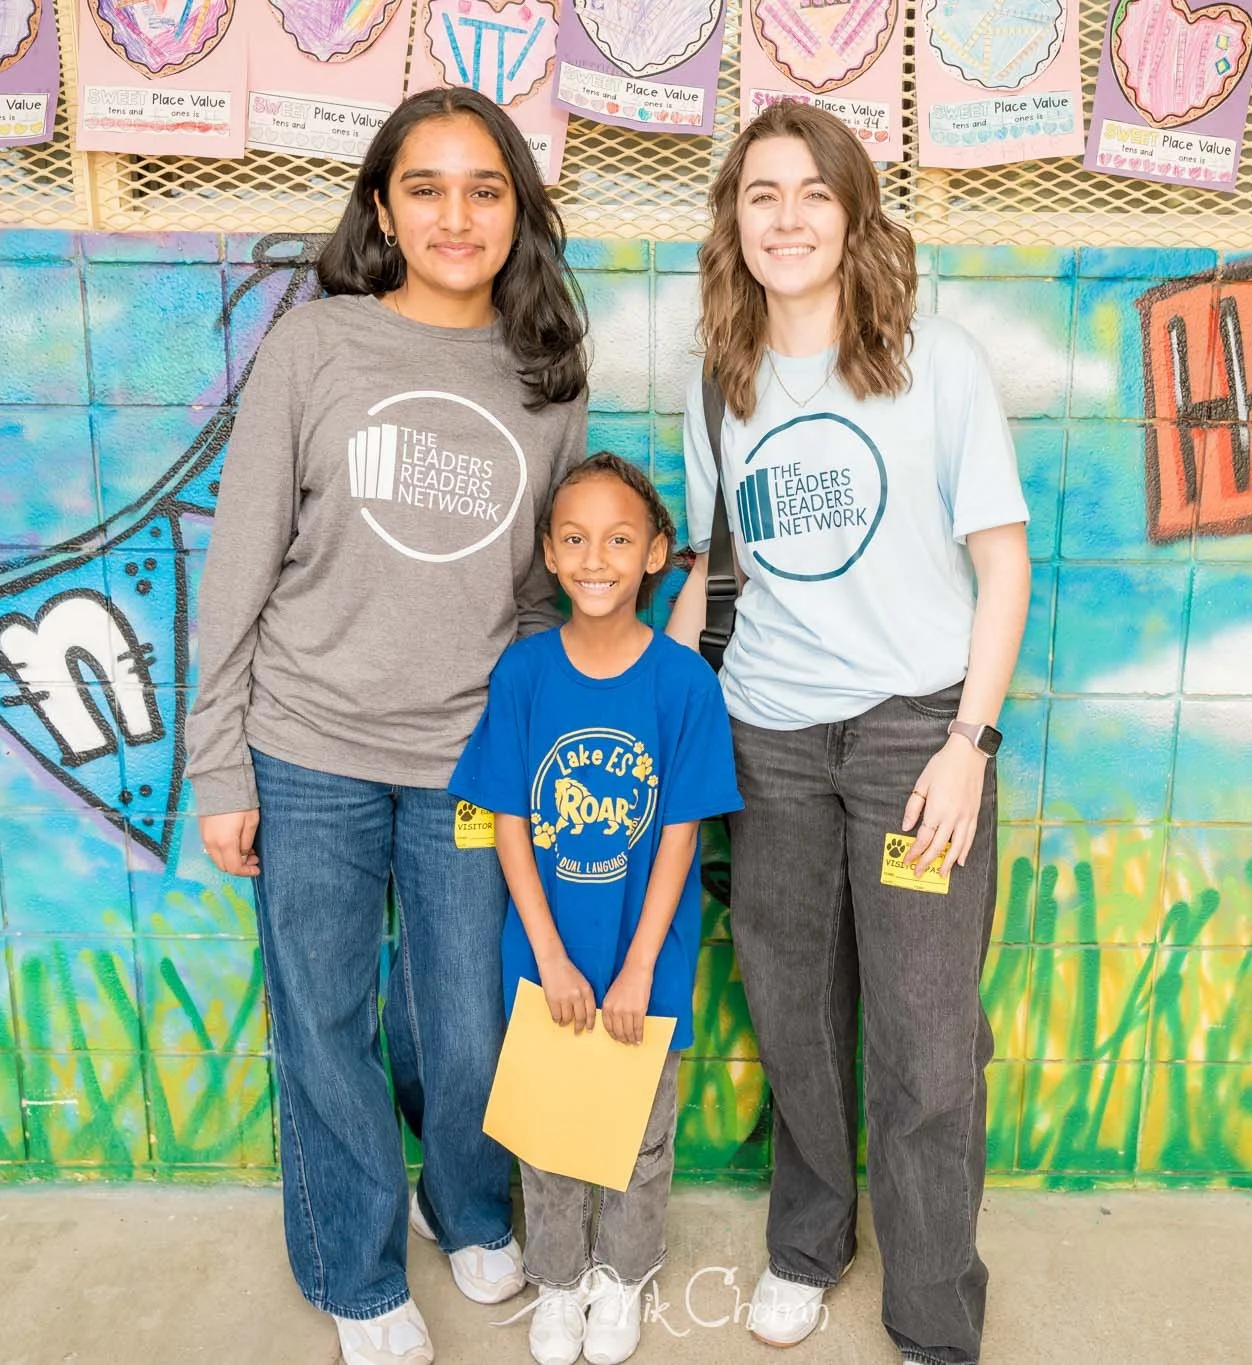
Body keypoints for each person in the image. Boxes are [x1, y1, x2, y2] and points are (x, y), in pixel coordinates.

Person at [185, 86, 589, 1365]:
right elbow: (240, 562)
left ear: (517, 211)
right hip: (304, 748)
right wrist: (216, 763)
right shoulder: (318, 349)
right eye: (425, 187)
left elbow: (535, 595)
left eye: (485, 189)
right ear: (381, 206)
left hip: (469, 756)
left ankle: (465, 1206)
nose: (455, 214)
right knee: (324, 1016)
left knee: (466, 1022)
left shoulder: (544, 378)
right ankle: (354, 1271)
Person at [667, 102, 1032, 1365]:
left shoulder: (938, 364)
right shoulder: (720, 380)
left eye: (811, 193)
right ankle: (807, 1242)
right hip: (765, 741)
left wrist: (964, 746)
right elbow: (716, 576)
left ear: (853, 213)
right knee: (794, 1016)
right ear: (734, 222)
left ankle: (933, 1312)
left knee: (928, 1040)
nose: (785, 217)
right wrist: (657, 705)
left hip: (908, 739)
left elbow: (1002, 565)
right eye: (760, 194)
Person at [451, 454, 742, 1365]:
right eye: (573, 538)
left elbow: (681, 834)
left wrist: (639, 963)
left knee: (638, 1135)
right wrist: (550, 953)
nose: (595, 557)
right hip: (547, 956)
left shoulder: (684, 685)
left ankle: (621, 1277)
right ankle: (561, 1282)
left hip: (639, 958)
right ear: (547, 551)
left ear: (657, 553)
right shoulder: (525, 673)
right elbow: (506, 818)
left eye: (620, 539)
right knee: (548, 1138)